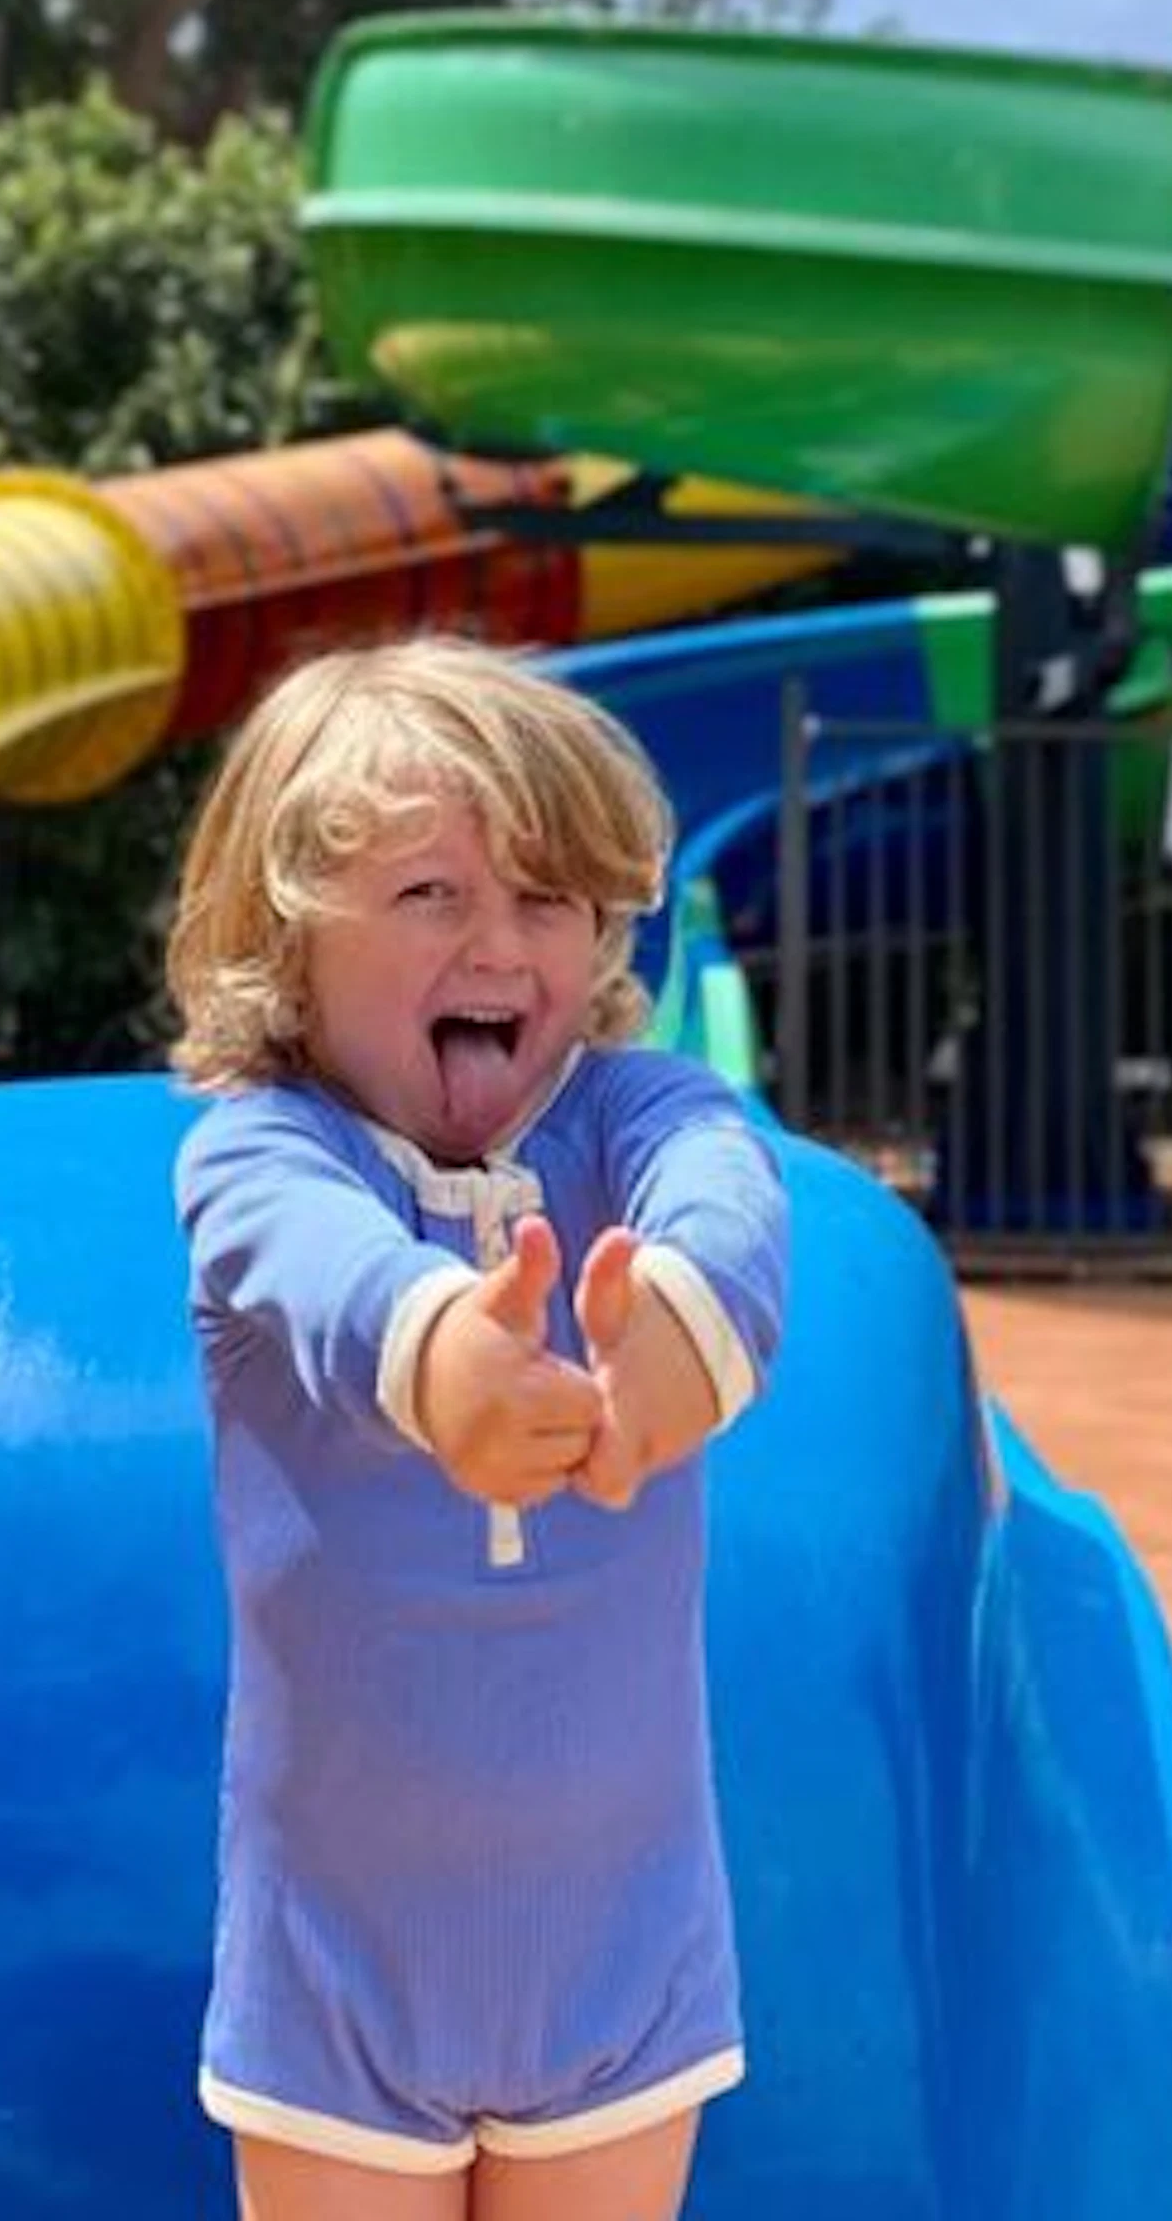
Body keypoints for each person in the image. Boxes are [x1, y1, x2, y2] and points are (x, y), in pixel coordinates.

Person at [166, 637, 791, 2219]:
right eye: (431, 895)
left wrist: (674, 1334)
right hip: (339, 1963)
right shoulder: (263, 1156)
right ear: (286, 943)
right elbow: (319, 1270)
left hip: (622, 1941)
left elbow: (726, 1200)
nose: (499, 943)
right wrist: (446, 1352)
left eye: (548, 899)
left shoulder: (644, 1114)